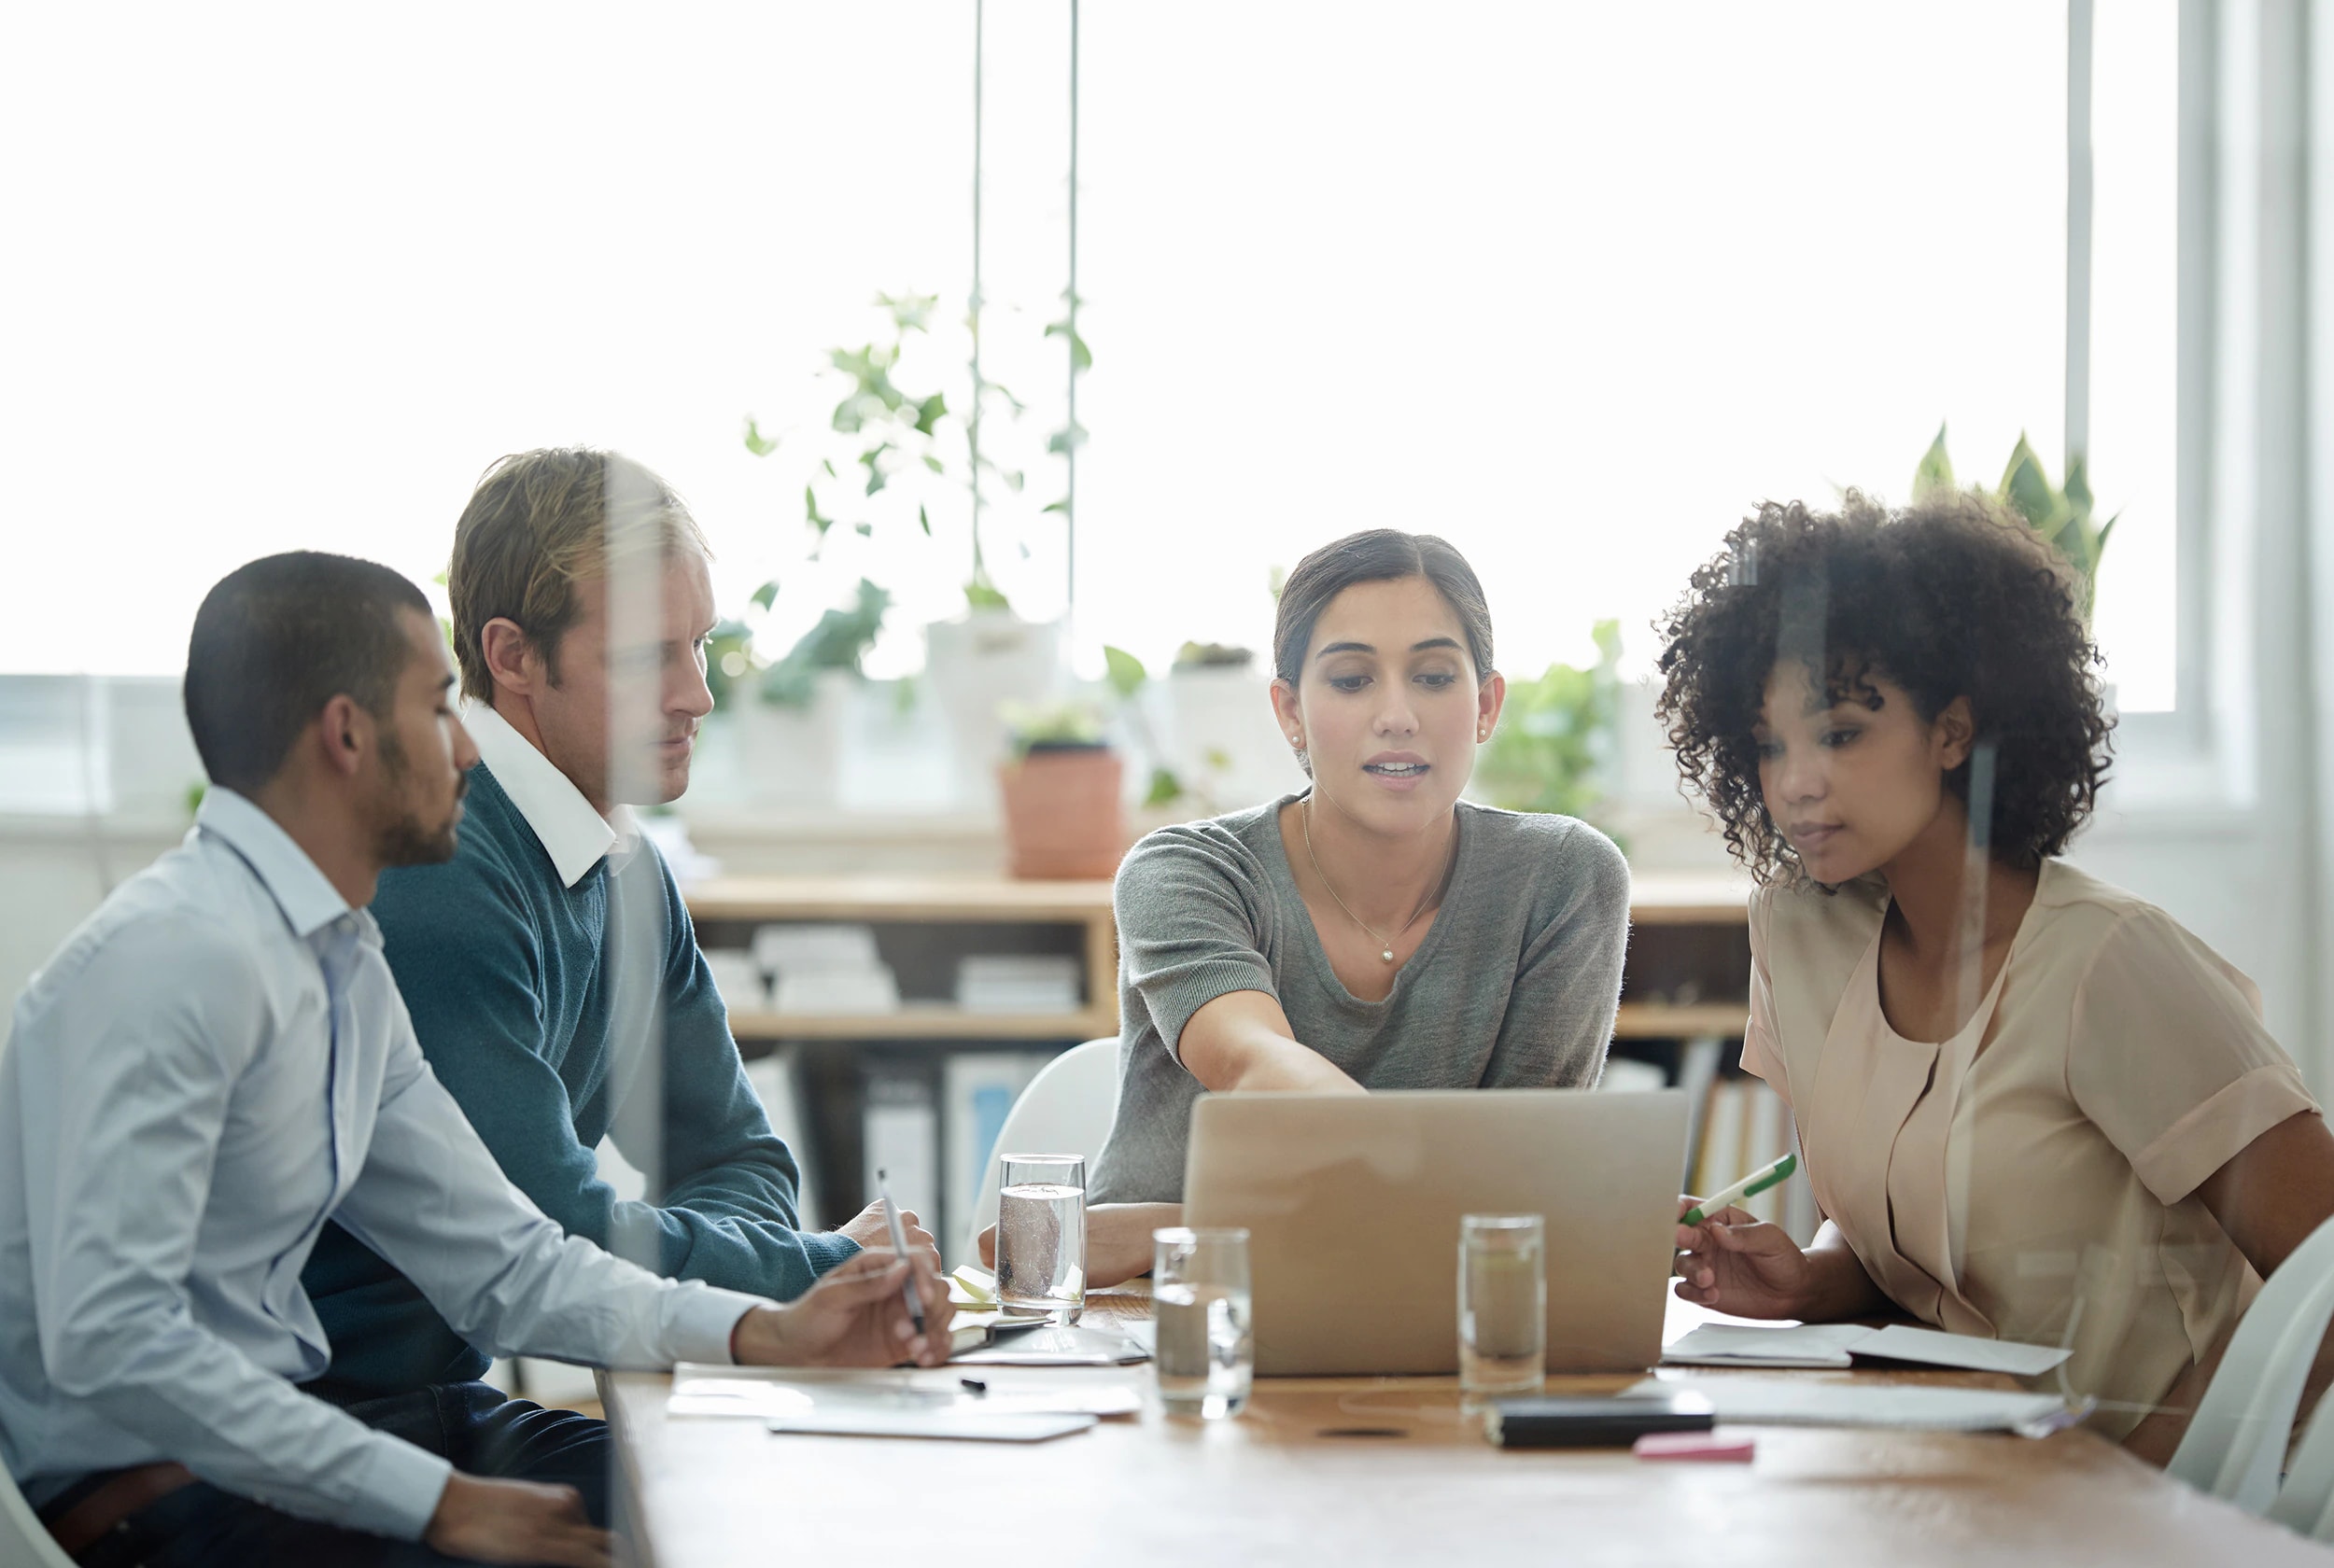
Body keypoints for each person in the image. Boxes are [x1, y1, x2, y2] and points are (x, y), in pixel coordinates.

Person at [0, 552, 950, 1568]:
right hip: (170, 1498)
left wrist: (767, 1330)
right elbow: (119, 1343)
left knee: (754, 1494)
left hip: (366, 1440)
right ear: (348, 735)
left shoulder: (342, 960)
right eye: (441, 709)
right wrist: (436, 1503)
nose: (467, 750)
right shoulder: (172, 959)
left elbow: (506, 1260)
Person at [1656, 491, 2332, 1462]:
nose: (1795, 781)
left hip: (2137, 1493)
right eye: (1769, 744)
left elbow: (2324, 1273)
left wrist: (2170, 1480)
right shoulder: (1799, 933)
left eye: (1840, 732)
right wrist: (1813, 1280)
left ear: (1952, 730)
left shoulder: (2110, 962)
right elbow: (1919, 1233)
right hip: (1946, 1462)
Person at [304, 449, 934, 1410]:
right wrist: (813, 1267)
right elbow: (549, 1238)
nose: (697, 695)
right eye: (648, 656)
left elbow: (737, 1157)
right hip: (321, 1420)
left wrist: (763, 1265)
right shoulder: (441, 869)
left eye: (699, 646)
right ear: (513, 657)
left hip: (427, 1404)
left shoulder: (625, 864)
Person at [1040, 527, 1630, 1283]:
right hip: (1166, 1309)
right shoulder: (1187, 871)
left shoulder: (1565, 881)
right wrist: (1454, 1192)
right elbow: (1261, 1069)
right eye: (1352, 680)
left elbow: (1519, 1184)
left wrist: (1182, 1224)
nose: (1397, 715)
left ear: (1486, 705)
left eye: (1434, 677)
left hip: (1424, 1302)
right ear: (1290, 712)